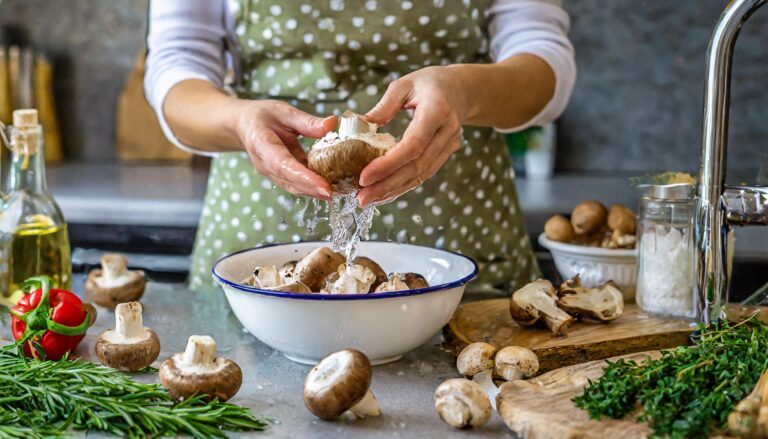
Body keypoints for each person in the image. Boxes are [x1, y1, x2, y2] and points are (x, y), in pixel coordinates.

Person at [145, 0, 576, 292]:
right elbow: (175, 68)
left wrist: (463, 93)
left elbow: (542, 56)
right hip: (264, 237)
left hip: (461, 232)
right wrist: (240, 122)